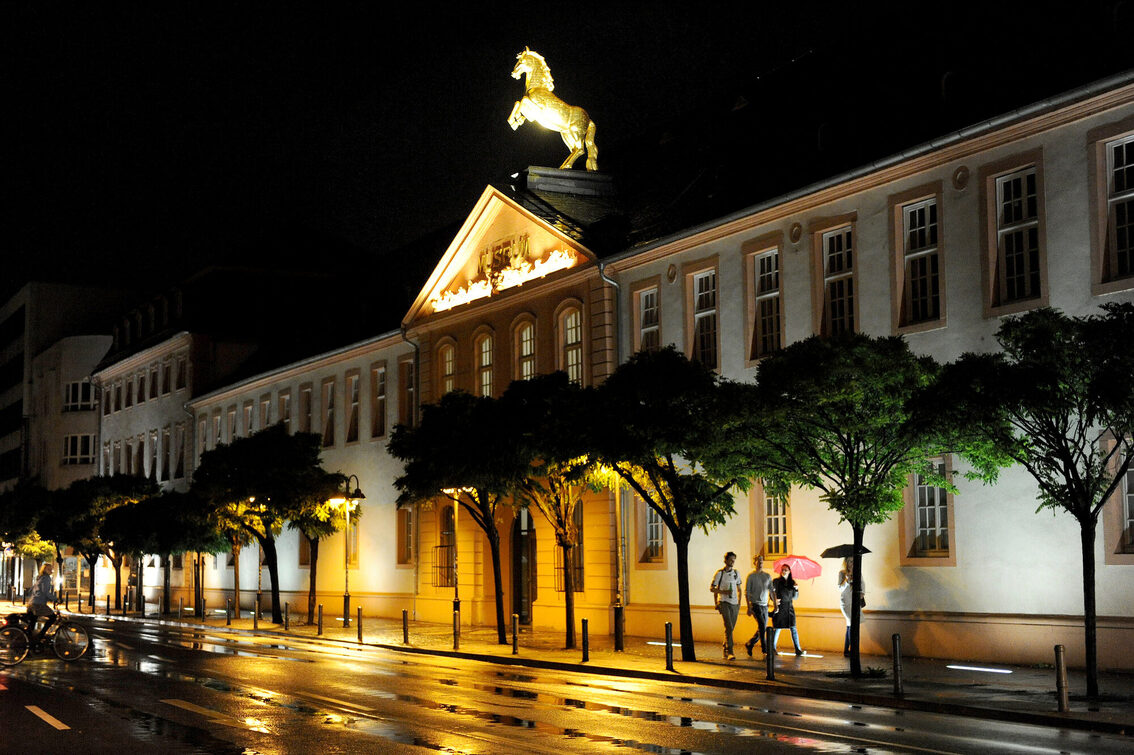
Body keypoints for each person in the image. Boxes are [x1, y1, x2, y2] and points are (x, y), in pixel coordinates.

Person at [709, 551, 743, 660]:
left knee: (730, 628)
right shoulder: (720, 573)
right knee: (728, 625)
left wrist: (739, 603)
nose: (732, 562)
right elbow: (712, 588)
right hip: (724, 602)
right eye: (731, 560)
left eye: (734, 560)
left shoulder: (736, 573)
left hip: (734, 603)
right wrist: (722, 595)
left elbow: (739, 589)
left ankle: (725, 646)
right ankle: (730, 651)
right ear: (726, 560)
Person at [770, 563, 804, 656]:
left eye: (786, 570)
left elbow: (795, 597)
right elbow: (772, 592)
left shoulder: (792, 582)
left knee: (793, 628)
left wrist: (796, 589)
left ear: (789, 572)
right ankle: (772, 648)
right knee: (777, 628)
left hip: (789, 608)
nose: (784, 571)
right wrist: (774, 600)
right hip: (780, 607)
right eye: (782, 569)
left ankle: (797, 649)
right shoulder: (776, 581)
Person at [743, 554, 773, 656]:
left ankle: (750, 643)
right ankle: (764, 649)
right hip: (755, 605)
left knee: (762, 627)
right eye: (758, 561)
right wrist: (749, 607)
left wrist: (776, 605)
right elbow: (746, 592)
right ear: (754, 562)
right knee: (762, 625)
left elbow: (772, 591)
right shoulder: (751, 576)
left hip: (765, 606)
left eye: (761, 561)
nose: (760, 563)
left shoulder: (767, 576)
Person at [838, 558, 865, 656]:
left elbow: (862, 583)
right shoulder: (842, 573)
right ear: (846, 563)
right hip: (846, 601)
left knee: (850, 626)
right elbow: (839, 588)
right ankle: (852, 650)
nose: (852, 563)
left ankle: (847, 650)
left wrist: (862, 593)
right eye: (850, 561)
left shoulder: (857, 572)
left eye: (853, 561)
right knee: (851, 624)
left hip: (855, 600)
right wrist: (846, 580)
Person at [26, 562, 57, 645]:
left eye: (51, 569)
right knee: (53, 617)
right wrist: (55, 599)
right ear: (44, 570)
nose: (51, 571)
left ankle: (28, 642)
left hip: (31, 603)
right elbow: (45, 592)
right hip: (38, 604)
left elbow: (31, 591)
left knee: (32, 623)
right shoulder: (46, 578)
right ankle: (41, 635)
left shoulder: (39, 578)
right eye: (49, 569)